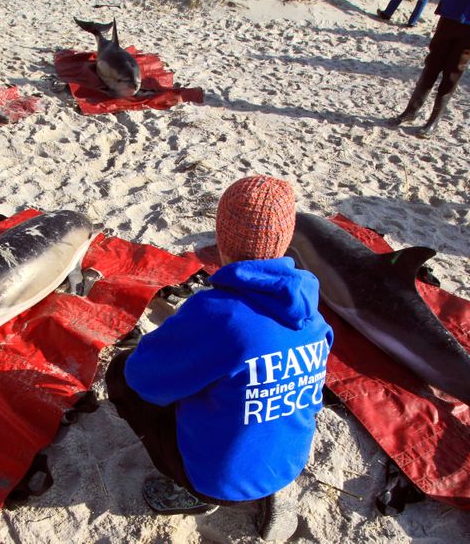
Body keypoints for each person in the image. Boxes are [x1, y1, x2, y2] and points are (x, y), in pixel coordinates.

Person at [106, 175, 334, 535]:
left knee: (120, 374)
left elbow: (142, 379)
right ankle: (269, 485)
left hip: (218, 479)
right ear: (286, 238)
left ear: (222, 239)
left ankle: (194, 494)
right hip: (289, 463)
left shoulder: (218, 313)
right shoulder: (312, 313)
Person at [388, 0, 470, 138]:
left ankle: (434, 120)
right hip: (453, 7)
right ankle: (411, 111)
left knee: (454, 69)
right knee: (433, 61)